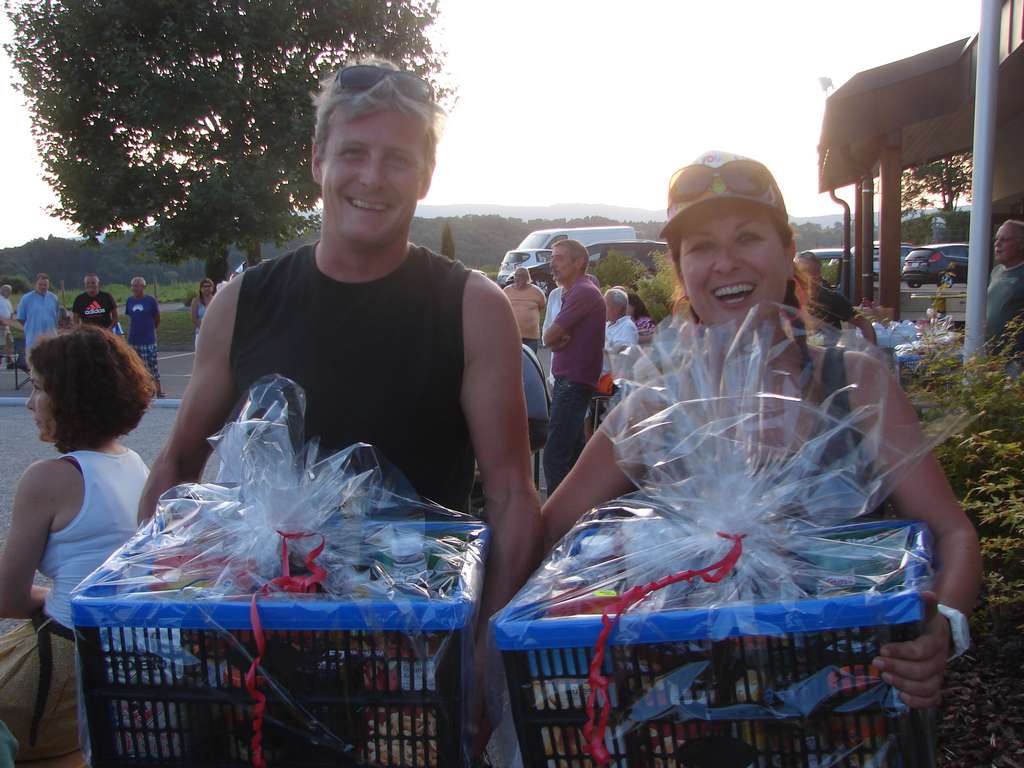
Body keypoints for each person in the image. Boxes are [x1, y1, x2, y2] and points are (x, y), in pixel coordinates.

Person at [136, 59, 541, 742]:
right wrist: (153, 605)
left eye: (397, 160)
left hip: (409, 665)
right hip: (255, 656)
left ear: (426, 175)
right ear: (318, 158)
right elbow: (177, 463)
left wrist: (486, 649)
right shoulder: (244, 302)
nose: (372, 179)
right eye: (353, 152)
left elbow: (510, 494)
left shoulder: (472, 305)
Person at [542, 150, 981, 710]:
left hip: (845, 703)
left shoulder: (852, 382)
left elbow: (954, 534)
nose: (725, 263)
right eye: (701, 247)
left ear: (787, 253)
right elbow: (550, 528)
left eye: (747, 237)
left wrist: (941, 626)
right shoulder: (655, 402)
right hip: (688, 710)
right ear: (681, 268)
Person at [0, 326, 152, 761]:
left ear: (70, 398)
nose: (29, 403)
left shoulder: (48, 478)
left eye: (39, 389)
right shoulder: (133, 463)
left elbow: (7, 599)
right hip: (120, 662)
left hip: (65, 665)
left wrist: (55, 595)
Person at [541, 238, 606, 495]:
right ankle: (578, 515)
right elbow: (553, 337)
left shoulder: (583, 292)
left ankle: (557, 523)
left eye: (559, 257)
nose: (552, 264)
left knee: (555, 457)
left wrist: (556, 339)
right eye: (552, 257)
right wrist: (557, 339)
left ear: (579, 262)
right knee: (574, 455)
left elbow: (547, 337)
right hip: (571, 382)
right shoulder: (574, 291)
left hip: (572, 383)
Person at [794, 251, 877, 344]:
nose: (800, 278)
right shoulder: (788, 299)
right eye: (797, 273)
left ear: (818, 276)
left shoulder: (831, 299)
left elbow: (864, 324)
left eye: (808, 273)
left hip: (827, 354)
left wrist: (871, 351)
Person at [985, 219, 1024, 364]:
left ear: (1021, 244)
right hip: (992, 355)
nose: (997, 244)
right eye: (996, 239)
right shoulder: (996, 272)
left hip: (1016, 360)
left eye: (1004, 240)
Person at [125, 276, 164, 398]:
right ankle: (139, 391)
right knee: (135, 366)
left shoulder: (150, 301)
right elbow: (131, 318)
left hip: (148, 340)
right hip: (133, 339)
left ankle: (158, 390)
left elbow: (157, 319)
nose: (136, 288)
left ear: (144, 287)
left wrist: (151, 331)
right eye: (134, 286)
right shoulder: (129, 301)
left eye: (139, 285)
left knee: (152, 366)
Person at [14, 274, 60, 358]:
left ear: (48, 285)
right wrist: (30, 327)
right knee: (34, 366)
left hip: (51, 338)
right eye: (40, 284)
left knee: (52, 364)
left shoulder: (54, 298)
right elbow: (21, 318)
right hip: (33, 338)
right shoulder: (26, 298)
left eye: (45, 285)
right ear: (35, 284)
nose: (42, 287)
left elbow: (56, 317)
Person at [504, 267, 546, 352]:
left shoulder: (537, 292)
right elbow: (502, 308)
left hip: (531, 337)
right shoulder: (506, 291)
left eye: (521, 276)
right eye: (516, 276)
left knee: (529, 363)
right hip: (511, 336)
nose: (518, 278)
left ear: (527, 277)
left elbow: (542, 306)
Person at [603, 287, 639, 357]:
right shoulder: (606, 324)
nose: (603, 308)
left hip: (612, 367)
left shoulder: (627, 327)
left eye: (606, 304)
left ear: (618, 308)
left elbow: (625, 356)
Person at [191, 277, 216, 347]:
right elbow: (194, 319)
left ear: (212, 287)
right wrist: (204, 328)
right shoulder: (196, 301)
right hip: (200, 333)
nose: (207, 288)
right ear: (201, 288)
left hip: (214, 333)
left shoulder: (216, 299)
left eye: (209, 286)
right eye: (204, 286)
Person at [0, 285, 13, 368]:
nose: (9, 293)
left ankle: (9, 360)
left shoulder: (7, 300)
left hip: (6, 325)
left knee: (9, 342)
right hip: (1, 325)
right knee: (1, 344)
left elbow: (10, 312)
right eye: (8, 291)